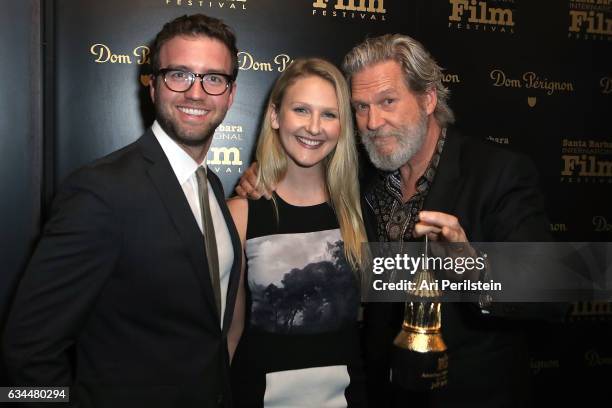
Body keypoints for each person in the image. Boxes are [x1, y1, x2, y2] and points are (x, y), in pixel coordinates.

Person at [237, 34, 560, 407]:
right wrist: (261, 175)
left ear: (428, 99)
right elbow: (302, 166)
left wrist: (472, 269)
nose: (373, 121)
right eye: (360, 106)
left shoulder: (496, 172)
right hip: (379, 393)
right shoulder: (362, 182)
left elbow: (553, 290)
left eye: (388, 101)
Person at [3, 14, 242, 408]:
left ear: (231, 94)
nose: (196, 92)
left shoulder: (213, 187)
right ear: (152, 85)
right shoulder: (100, 191)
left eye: (214, 78)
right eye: (179, 74)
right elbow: (25, 349)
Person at [227, 58, 368, 407]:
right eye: (301, 110)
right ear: (276, 116)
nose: (314, 127)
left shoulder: (363, 214)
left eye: (330, 114)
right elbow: (230, 333)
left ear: (342, 127)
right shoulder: (240, 213)